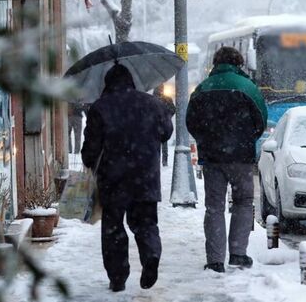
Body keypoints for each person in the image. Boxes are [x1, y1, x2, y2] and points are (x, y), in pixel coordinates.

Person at [81, 64, 173, 292]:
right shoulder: (152, 104)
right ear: (132, 80)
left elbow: (90, 149)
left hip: (113, 179)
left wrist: (90, 159)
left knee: (113, 228)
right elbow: (166, 133)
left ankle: (118, 277)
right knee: (146, 222)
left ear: (107, 83)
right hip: (146, 177)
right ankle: (151, 253)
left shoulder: (100, 108)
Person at [186, 46, 267, 273]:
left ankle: (215, 260)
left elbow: (190, 121)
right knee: (242, 202)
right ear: (238, 63)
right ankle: (238, 254)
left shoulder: (203, 88)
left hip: (212, 158)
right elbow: (261, 119)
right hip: (241, 156)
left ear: (216, 63)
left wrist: (206, 140)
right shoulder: (248, 87)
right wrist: (247, 139)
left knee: (214, 207)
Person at [154, 85, 176, 166]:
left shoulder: (150, 99)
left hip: (153, 125)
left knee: (154, 144)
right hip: (163, 125)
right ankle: (164, 161)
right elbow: (173, 109)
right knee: (164, 143)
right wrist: (167, 117)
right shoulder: (167, 99)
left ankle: (156, 161)